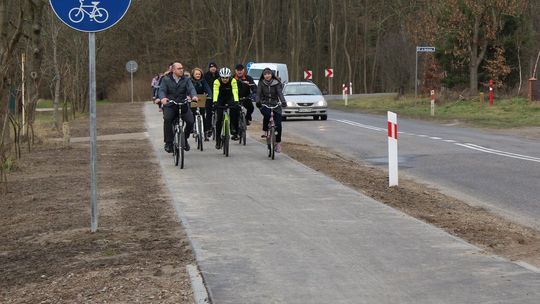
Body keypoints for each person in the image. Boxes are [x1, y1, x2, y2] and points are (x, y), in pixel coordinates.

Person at [159, 62, 198, 153]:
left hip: (183, 104)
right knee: (167, 119)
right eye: (179, 68)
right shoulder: (166, 79)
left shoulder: (186, 79)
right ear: (173, 70)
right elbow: (162, 90)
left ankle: (184, 139)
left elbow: (191, 88)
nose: (181, 70)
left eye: (182, 68)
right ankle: (168, 143)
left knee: (190, 121)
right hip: (170, 105)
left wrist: (194, 96)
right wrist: (163, 98)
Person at [256, 68, 287, 153]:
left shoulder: (277, 83)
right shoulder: (261, 83)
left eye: (269, 74)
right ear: (263, 75)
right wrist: (258, 102)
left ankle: (278, 143)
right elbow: (258, 93)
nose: (267, 75)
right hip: (264, 103)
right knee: (267, 115)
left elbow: (280, 93)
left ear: (271, 74)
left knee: (279, 125)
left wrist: (283, 102)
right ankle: (265, 130)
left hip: (275, 104)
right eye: (265, 74)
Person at [213, 67, 239, 149]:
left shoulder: (233, 80)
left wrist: (236, 100)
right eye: (223, 78)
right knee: (219, 120)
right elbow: (215, 91)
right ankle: (218, 140)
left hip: (229, 97)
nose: (225, 79)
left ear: (229, 77)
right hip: (220, 98)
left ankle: (232, 127)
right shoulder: (217, 81)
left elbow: (235, 91)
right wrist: (215, 101)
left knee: (235, 110)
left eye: (226, 78)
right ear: (220, 77)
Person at [190, 67, 212, 141]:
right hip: (192, 98)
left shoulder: (203, 81)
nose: (198, 75)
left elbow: (207, 88)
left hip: (201, 98)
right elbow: (188, 89)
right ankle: (193, 128)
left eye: (199, 74)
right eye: (196, 74)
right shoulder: (190, 81)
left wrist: (210, 95)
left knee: (202, 114)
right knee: (192, 112)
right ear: (193, 74)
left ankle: (205, 133)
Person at [204, 62, 220, 138]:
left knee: (219, 112)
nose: (213, 68)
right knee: (208, 113)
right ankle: (208, 129)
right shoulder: (206, 75)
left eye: (214, 67)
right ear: (209, 68)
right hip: (209, 96)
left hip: (218, 96)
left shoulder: (219, 75)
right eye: (211, 67)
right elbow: (204, 85)